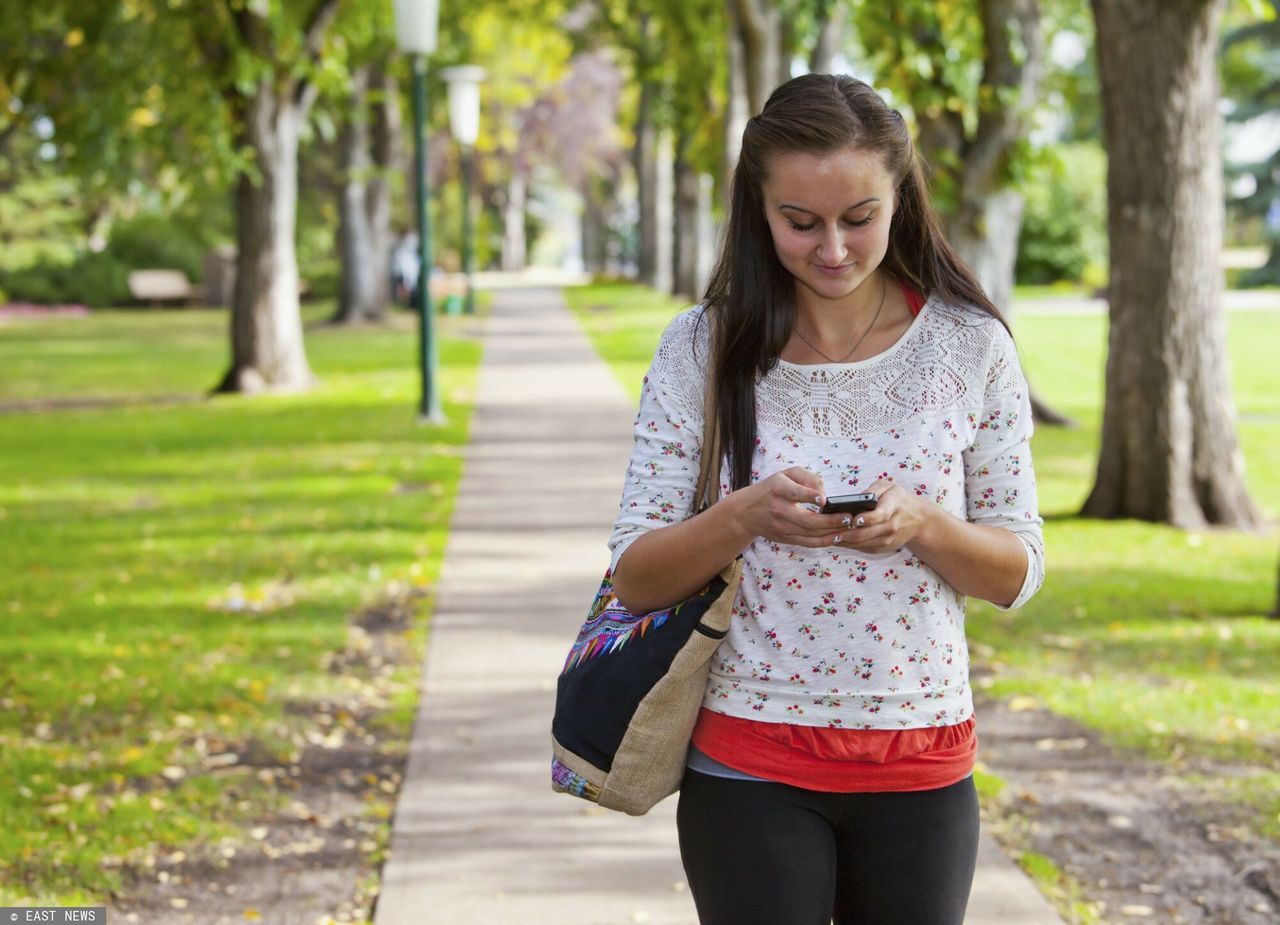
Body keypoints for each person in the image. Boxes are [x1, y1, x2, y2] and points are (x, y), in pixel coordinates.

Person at [605, 74, 1045, 925]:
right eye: (800, 222)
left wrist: (921, 523)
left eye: (860, 218)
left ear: (900, 199)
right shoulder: (701, 347)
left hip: (923, 762)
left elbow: (1016, 572)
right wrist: (744, 515)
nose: (833, 249)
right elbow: (636, 576)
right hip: (748, 762)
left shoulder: (971, 345)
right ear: (758, 208)